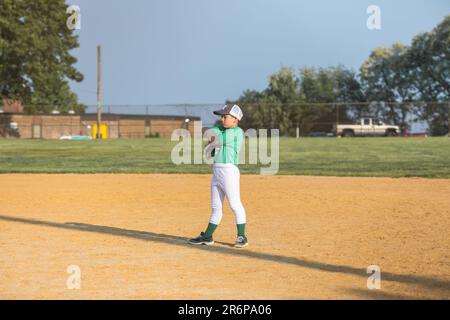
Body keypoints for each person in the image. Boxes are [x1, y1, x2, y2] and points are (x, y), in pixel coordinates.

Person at [189, 104, 248, 248]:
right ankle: (208, 236)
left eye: (225, 116)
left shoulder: (237, 132)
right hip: (217, 171)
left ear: (235, 119)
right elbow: (209, 132)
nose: (222, 119)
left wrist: (212, 138)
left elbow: (215, 138)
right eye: (221, 116)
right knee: (216, 206)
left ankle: (242, 236)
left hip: (229, 171)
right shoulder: (222, 130)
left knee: (234, 204)